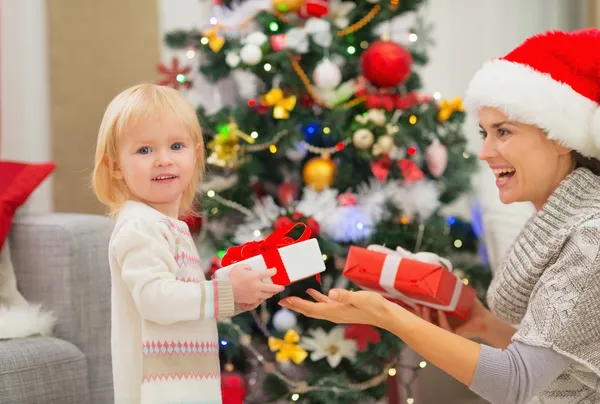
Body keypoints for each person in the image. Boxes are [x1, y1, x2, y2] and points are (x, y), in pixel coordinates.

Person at [279, 29, 600, 404]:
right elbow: (561, 369)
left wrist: (388, 316)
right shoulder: (562, 222)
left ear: (560, 136)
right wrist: (480, 322)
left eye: (504, 132)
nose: (485, 152)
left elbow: (516, 381)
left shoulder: (589, 237)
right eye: (484, 133)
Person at [92, 83, 284, 404]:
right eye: (144, 150)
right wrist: (223, 292)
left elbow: (185, 303)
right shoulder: (139, 225)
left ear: (196, 154)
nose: (163, 160)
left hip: (186, 382)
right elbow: (155, 299)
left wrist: (235, 298)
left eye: (176, 146)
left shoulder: (170, 226)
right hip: (158, 390)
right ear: (115, 166)